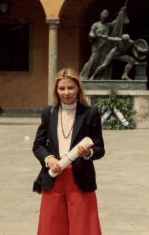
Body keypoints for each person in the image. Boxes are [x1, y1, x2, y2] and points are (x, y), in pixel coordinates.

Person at [33, 68, 105, 235]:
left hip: (80, 178)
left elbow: (100, 148)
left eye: (71, 87)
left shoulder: (90, 113)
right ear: (56, 91)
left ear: (78, 88)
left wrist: (88, 153)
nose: (66, 92)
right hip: (53, 175)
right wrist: (48, 158)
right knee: (52, 227)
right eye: (62, 88)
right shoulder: (48, 112)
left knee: (83, 227)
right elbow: (38, 145)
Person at [80, 7, 129, 80]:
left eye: (106, 16)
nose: (104, 17)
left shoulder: (108, 25)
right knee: (92, 61)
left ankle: (102, 77)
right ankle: (84, 76)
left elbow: (116, 22)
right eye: (103, 15)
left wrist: (121, 13)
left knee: (104, 62)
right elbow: (91, 33)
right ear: (100, 16)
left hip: (105, 46)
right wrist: (94, 35)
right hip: (97, 47)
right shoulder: (95, 25)